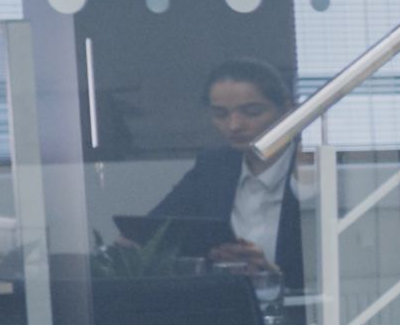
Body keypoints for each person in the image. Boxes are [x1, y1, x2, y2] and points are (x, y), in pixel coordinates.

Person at [124, 60, 312, 282]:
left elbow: (335, 264)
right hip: (227, 303)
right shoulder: (214, 168)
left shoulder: (308, 167)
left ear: (287, 109)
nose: (234, 125)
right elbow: (154, 232)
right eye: (221, 114)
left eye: (252, 112)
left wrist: (271, 275)